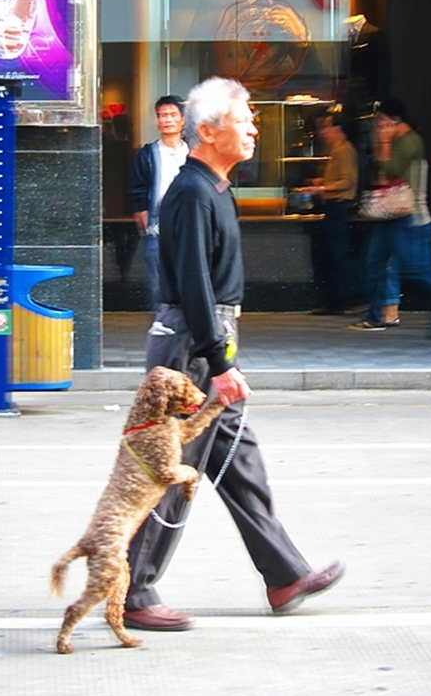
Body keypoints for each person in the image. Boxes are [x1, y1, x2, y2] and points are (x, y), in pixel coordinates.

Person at [123, 76, 345, 632]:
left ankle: (284, 574)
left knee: (239, 465)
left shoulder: (214, 187)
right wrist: (218, 364)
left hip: (210, 339)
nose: (253, 129)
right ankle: (133, 589)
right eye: (243, 121)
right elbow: (195, 284)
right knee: (173, 471)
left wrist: (223, 355)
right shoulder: (193, 192)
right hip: (192, 348)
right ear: (209, 130)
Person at [351, 99, 431, 331]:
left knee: (418, 268)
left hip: (407, 216)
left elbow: (389, 171)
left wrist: (385, 142)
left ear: (394, 119)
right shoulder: (401, 140)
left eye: (382, 120)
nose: (379, 125)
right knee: (376, 263)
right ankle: (377, 316)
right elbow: (379, 172)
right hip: (390, 216)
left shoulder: (410, 141)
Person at [130, 96, 189, 308]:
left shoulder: (194, 153)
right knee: (158, 284)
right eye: (162, 116)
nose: (167, 120)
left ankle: (189, 327)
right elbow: (138, 190)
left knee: (190, 281)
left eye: (172, 115)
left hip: (189, 227)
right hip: (157, 229)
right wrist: (146, 222)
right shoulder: (147, 154)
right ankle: (164, 325)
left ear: (182, 120)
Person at [301, 111, 360, 315]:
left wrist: (322, 189)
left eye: (327, 127)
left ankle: (347, 300)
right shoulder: (337, 151)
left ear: (338, 129)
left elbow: (348, 181)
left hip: (339, 208)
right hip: (333, 207)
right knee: (330, 256)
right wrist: (322, 183)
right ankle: (335, 301)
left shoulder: (344, 150)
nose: (323, 132)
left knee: (337, 256)